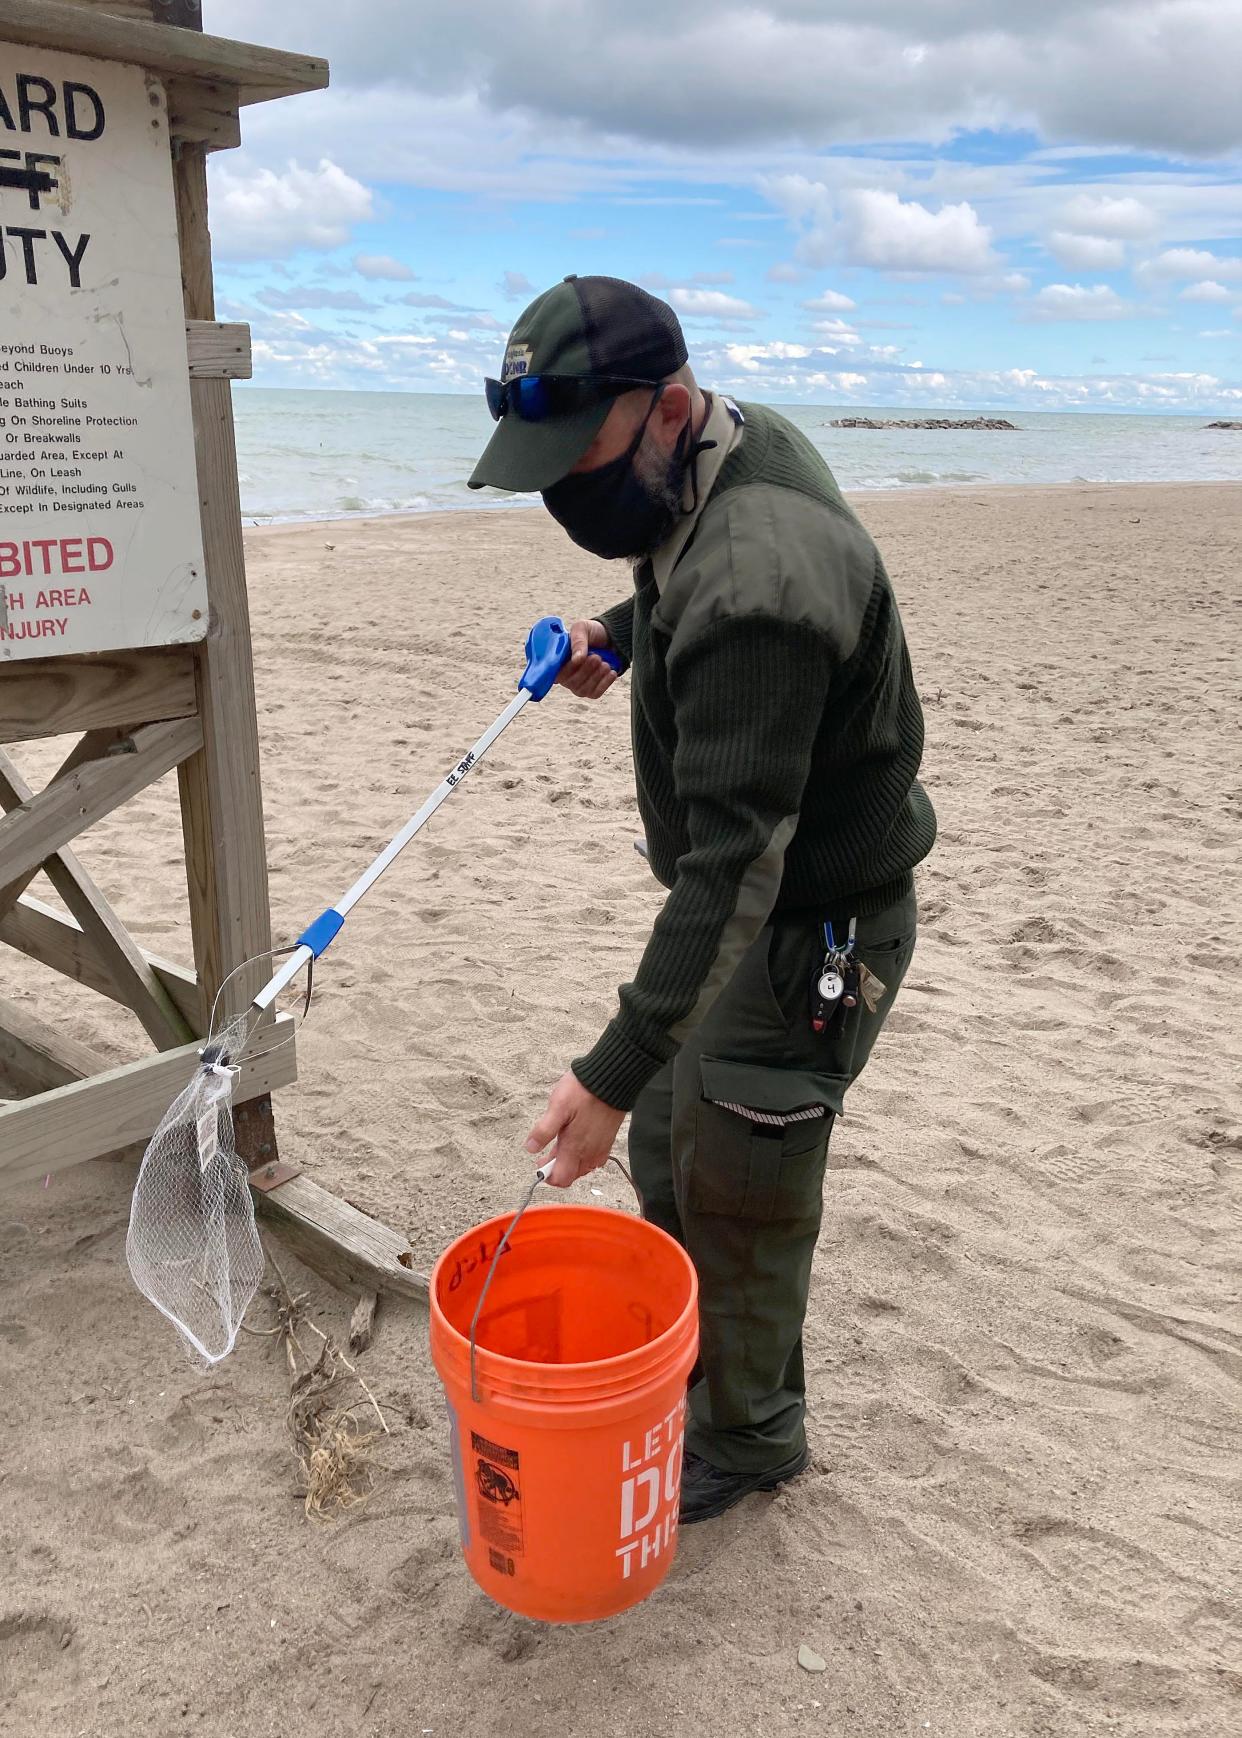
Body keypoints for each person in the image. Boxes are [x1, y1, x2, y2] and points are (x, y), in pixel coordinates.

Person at [469, 275, 936, 1523]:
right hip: (754, 907)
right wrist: (618, 637)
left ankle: (747, 1440)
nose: (571, 494)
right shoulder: (721, 452)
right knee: (679, 1146)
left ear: (668, 405)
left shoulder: (761, 579)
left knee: (739, 1177)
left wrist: (609, 1065)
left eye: (584, 462)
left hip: (808, 928)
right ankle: (708, 1380)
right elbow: (683, 572)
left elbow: (736, 864)